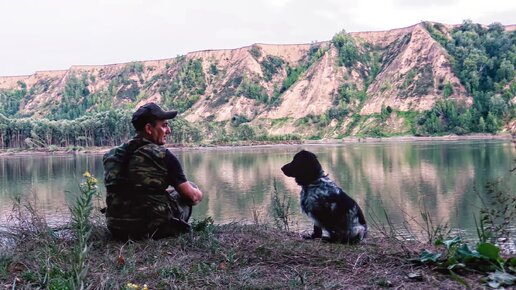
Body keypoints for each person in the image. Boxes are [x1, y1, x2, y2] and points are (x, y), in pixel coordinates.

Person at [103, 102, 203, 240]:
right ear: (149, 129)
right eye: (164, 125)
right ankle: (176, 228)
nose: (169, 130)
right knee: (191, 188)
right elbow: (192, 197)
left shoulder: (111, 155)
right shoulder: (163, 155)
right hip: (153, 229)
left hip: (117, 228)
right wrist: (198, 192)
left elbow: (129, 188)